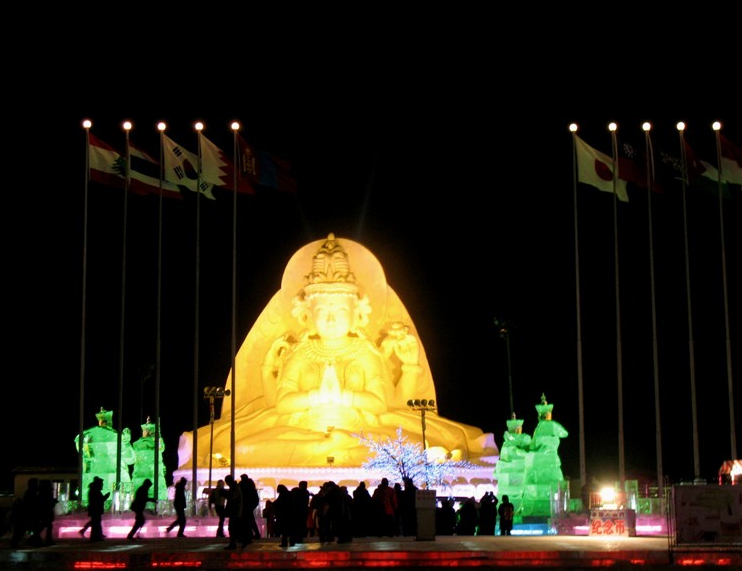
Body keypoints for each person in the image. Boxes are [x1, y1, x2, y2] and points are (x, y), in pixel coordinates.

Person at [176, 234, 498, 471]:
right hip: (297, 429)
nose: (330, 318)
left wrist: (346, 396)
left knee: (404, 447)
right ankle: (207, 454)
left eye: (339, 310)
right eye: (322, 310)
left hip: (364, 429)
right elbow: (282, 403)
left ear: (357, 312)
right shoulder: (301, 353)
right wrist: (315, 396)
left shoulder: (365, 352)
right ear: (306, 313)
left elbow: (383, 403)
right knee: (246, 446)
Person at [75, 408, 135, 506]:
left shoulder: (85, 436)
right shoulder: (117, 436)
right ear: (110, 421)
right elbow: (131, 459)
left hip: (91, 481)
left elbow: (82, 452)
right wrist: (127, 442)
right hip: (115, 486)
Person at [131, 417, 167, 503]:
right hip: (145, 474)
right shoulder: (138, 444)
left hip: (146, 475)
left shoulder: (155, 443)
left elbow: (161, 448)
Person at [222, 474, 247, 550]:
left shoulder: (234, 487)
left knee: (233, 528)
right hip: (235, 511)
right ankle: (238, 542)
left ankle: (236, 543)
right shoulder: (234, 487)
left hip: (235, 511)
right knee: (234, 528)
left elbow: (232, 497)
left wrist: (225, 493)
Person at [87, 476, 110, 542]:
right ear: (98, 484)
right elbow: (99, 500)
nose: (102, 485)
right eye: (101, 484)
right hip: (96, 510)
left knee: (96, 524)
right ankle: (96, 537)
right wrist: (106, 496)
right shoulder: (95, 491)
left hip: (95, 509)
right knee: (96, 524)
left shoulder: (93, 490)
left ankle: (95, 537)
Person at [35, 479, 57, 546]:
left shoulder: (41, 493)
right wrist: (53, 502)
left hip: (44, 512)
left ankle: (38, 538)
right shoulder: (48, 493)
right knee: (47, 526)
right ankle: (47, 540)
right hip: (46, 512)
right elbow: (48, 503)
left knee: (45, 525)